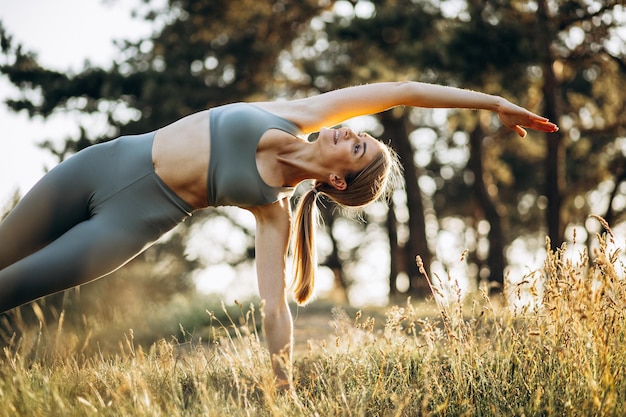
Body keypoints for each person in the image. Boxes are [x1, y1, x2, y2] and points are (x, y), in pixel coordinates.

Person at [0, 81, 558, 386]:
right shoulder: (298, 113)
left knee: (8, 290)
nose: (349, 132)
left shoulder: (274, 211)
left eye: (356, 145)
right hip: (101, 166)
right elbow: (403, 91)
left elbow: (274, 309)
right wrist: (492, 104)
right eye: (360, 134)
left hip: (126, 228)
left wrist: (282, 383)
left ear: (338, 176)